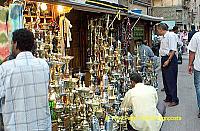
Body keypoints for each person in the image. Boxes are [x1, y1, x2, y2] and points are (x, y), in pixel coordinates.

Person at [0, 29, 52, 131]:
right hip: (42, 126)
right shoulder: (43, 65)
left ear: (15, 44)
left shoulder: (6, 68)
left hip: (17, 127)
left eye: (12, 43)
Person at [156, 23, 179, 107]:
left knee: (171, 80)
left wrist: (168, 60)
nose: (157, 31)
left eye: (158, 29)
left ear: (161, 29)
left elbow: (173, 50)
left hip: (170, 59)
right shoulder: (163, 37)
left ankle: (174, 99)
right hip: (164, 58)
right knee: (165, 79)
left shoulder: (171, 36)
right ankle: (168, 96)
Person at [187, 31, 200, 118]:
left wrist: (190, 64)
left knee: (199, 87)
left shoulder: (197, 36)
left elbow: (192, 52)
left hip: (199, 66)